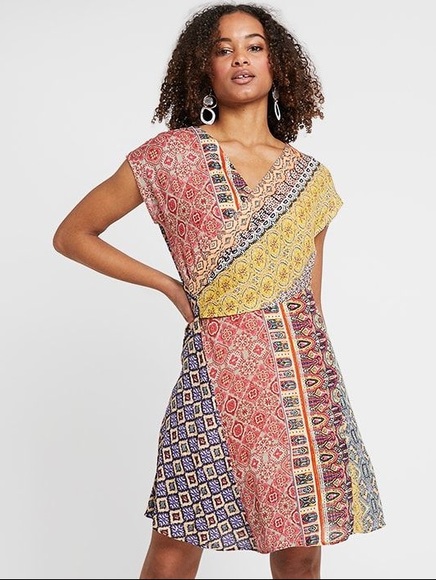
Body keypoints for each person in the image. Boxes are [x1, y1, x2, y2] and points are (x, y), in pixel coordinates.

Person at [53, 3, 385, 578]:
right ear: (203, 67)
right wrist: (168, 286)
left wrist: (321, 389)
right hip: (215, 368)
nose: (240, 59)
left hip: (301, 377)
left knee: (302, 551)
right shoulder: (168, 157)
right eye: (223, 49)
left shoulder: (310, 178)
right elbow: (72, 235)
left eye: (255, 46)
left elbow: (311, 298)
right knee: (176, 545)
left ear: (278, 64)